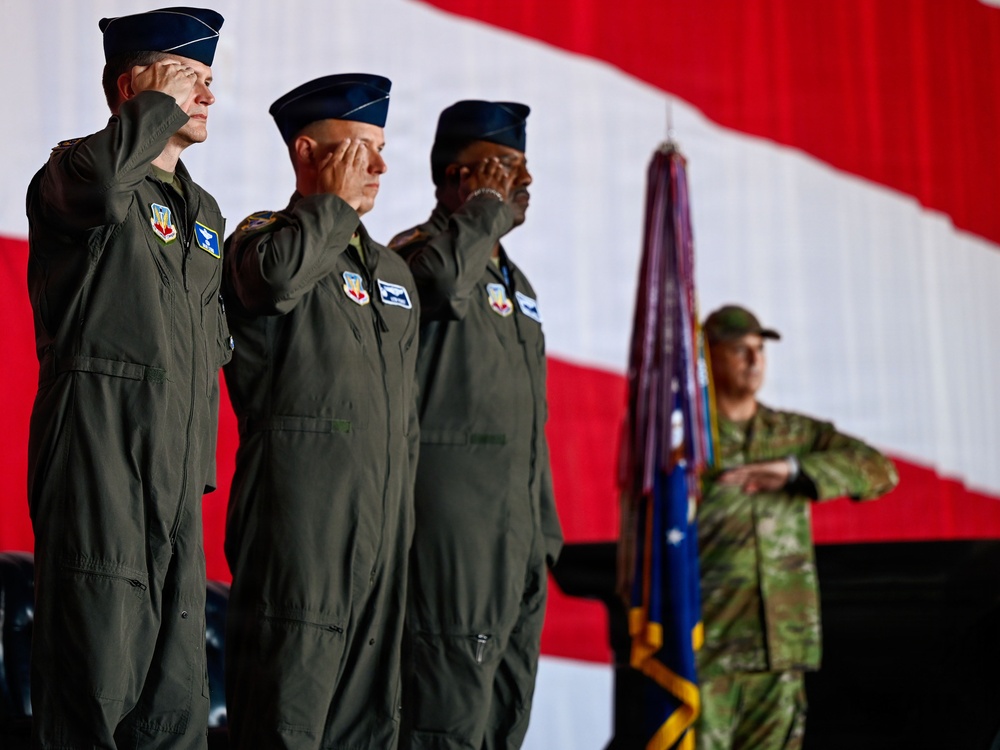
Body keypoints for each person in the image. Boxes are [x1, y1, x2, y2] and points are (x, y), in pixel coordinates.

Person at [24, 7, 228, 749]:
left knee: (172, 712)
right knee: (96, 696)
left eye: (208, 79)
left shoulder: (204, 212)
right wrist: (153, 109)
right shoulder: (76, 169)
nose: (205, 94)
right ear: (129, 87)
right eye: (184, 75)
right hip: (100, 465)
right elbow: (108, 186)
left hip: (177, 483)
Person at [221, 73, 419, 749]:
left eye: (383, 148)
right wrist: (327, 206)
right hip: (302, 527)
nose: (380, 167)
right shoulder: (263, 239)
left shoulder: (393, 271)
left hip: (385, 532)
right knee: (288, 718)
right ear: (308, 152)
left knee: (369, 727)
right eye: (362, 148)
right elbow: (273, 283)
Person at [390, 100, 563, 750]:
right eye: (505, 168)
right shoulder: (416, 256)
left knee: (504, 719)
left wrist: (542, 530)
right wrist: (483, 210)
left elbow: (527, 421)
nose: (525, 181)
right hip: (453, 535)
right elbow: (439, 286)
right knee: (447, 720)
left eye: (523, 167)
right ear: (461, 177)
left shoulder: (516, 283)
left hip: (518, 539)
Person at [696, 304, 899, 750]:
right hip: (710, 647)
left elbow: (880, 470)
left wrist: (793, 471)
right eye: (740, 350)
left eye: (760, 350)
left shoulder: (790, 433)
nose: (755, 361)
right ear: (708, 354)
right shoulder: (687, 437)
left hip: (781, 648)